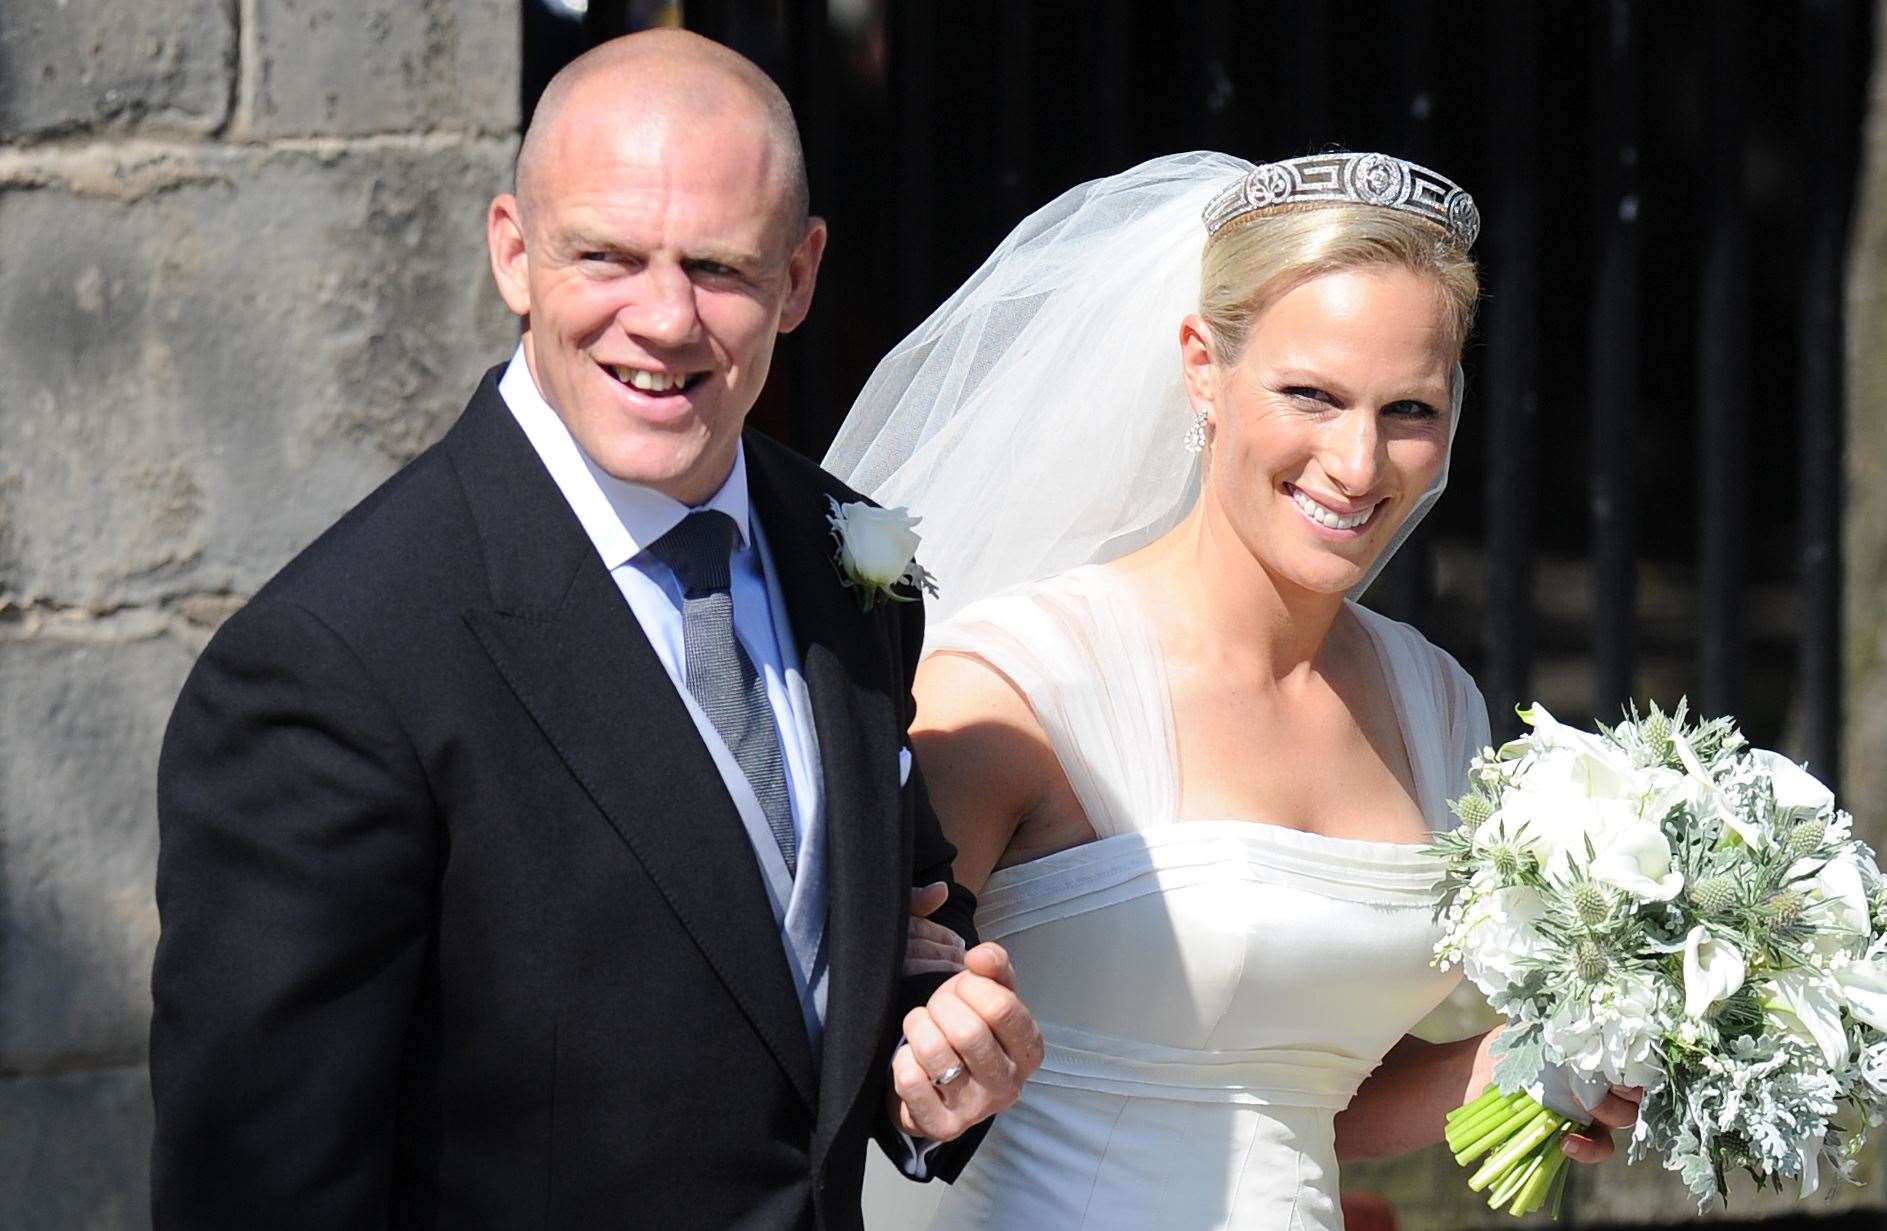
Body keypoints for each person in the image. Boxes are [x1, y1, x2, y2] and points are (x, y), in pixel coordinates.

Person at [150, 30, 1038, 1230]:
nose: (665, 319)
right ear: (514, 253)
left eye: (719, 266)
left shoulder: (851, 553)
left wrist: (932, 1065)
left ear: (800, 274)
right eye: (607, 256)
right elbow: (261, 1186)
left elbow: (864, 931)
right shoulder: (334, 664)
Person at [828, 152, 1639, 1229]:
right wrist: (925, 1072)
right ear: (1203, 367)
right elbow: (851, 1046)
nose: (1359, 463)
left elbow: (1308, 1082)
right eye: (1311, 394)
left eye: (1409, 408)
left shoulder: (1434, 701)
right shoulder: (1018, 687)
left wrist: (1544, 1060)